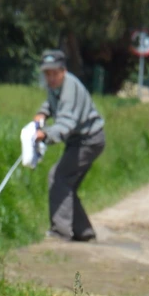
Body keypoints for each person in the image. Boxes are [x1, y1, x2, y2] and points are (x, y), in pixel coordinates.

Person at [34, 50, 106, 242]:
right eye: (47, 74)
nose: (51, 78)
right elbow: (52, 103)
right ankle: (83, 232)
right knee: (66, 183)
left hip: (89, 140)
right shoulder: (56, 87)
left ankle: (61, 232)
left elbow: (67, 122)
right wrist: (43, 113)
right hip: (80, 140)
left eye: (54, 73)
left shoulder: (70, 87)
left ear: (63, 71)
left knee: (58, 177)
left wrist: (45, 134)